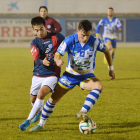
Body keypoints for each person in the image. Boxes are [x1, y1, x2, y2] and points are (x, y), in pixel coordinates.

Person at [26, 19, 115, 131]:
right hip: (70, 76)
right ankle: (41, 125)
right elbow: (57, 54)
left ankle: (83, 111)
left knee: (99, 86)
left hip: (86, 76)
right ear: (77, 31)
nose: (85, 38)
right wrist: (58, 60)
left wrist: (111, 69)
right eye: (83, 35)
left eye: (87, 35)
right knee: (53, 99)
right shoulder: (69, 40)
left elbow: (106, 51)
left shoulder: (95, 41)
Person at [18, 16, 65, 131]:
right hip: (37, 75)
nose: (39, 32)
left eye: (41, 29)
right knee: (33, 100)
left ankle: (27, 121)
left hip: (52, 75)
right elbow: (36, 59)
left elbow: (68, 44)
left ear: (46, 27)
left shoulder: (57, 37)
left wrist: (60, 59)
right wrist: (42, 61)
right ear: (33, 30)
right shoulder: (34, 42)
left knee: (41, 94)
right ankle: (39, 111)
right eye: (36, 30)